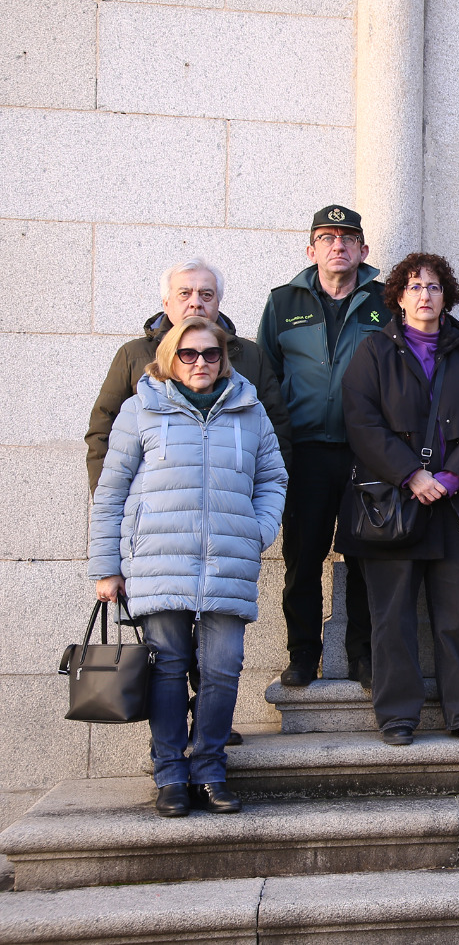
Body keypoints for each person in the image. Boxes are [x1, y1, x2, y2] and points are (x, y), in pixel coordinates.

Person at [88, 317, 288, 817]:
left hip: (228, 558)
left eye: (211, 354)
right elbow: (110, 493)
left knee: (222, 668)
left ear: (224, 358)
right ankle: (170, 773)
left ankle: (210, 769)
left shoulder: (250, 411)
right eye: (189, 354)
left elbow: (273, 478)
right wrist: (105, 566)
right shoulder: (140, 411)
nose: (201, 363)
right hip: (157, 559)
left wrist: (256, 529)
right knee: (168, 670)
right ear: (169, 357)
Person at [338, 253, 459, 746]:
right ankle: (397, 716)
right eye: (414, 287)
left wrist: (451, 478)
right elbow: (361, 423)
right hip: (394, 505)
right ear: (398, 297)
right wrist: (411, 474)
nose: (425, 295)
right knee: (392, 621)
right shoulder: (372, 353)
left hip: (458, 508)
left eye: (433, 287)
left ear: (446, 296)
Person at [258, 205, 389, 689]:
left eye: (348, 237)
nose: (338, 245)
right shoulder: (282, 302)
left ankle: (363, 657)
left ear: (363, 250)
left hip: (365, 454)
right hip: (305, 453)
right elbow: (266, 378)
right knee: (303, 559)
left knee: (364, 560)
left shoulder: (383, 301)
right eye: (327, 237)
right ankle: (301, 656)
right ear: (310, 248)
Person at [87, 258, 290, 493]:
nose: (196, 303)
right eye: (185, 293)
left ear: (217, 301)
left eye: (206, 295)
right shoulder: (134, 355)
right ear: (166, 302)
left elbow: (277, 432)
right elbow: (102, 430)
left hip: (231, 510)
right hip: (154, 512)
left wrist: (264, 507)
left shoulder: (249, 356)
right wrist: (107, 501)